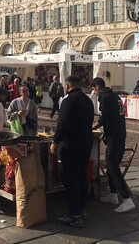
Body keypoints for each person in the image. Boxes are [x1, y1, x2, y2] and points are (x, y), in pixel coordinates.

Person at [50, 75, 94, 227]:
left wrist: (55, 142)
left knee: (70, 180)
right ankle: (81, 210)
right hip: (85, 144)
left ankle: (74, 214)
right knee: (82, 177)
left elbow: (62, 124)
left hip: (70, 145)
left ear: (67, 86)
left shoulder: (68, 100)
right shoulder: (88, 100)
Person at [92, 77, 136, 213]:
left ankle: (127, 199)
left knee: (112, 166)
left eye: (94, 89)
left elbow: (103, 118)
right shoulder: (115, 96)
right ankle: (113, 194)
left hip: (114, 136)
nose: (94, 93)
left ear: (97, 87)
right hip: (119, 134)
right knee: (112, 165)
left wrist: (92, 127)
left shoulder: (106, 98)